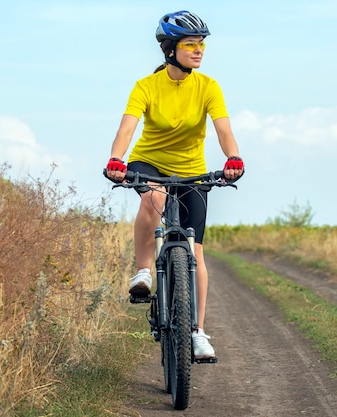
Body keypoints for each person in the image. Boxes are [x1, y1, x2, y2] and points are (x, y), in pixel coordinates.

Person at [104, 10, 244, 360]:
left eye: (201, 45)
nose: (199, 51)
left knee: (195, 250)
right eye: (190, 44)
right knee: (154, 195)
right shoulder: (146, 86)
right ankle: (143, 272)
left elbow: (223, 128)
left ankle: (197, 332)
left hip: (192, 172)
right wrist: (116, 160)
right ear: (170, 49)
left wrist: (233, 159)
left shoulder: (208, 86)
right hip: (148, 162)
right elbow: (127, 126)